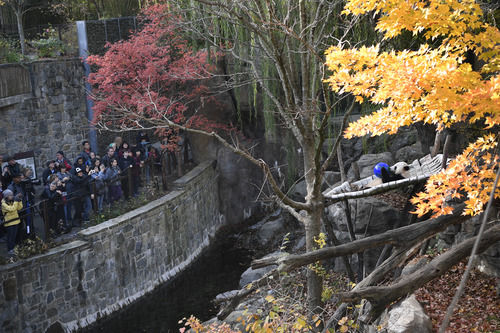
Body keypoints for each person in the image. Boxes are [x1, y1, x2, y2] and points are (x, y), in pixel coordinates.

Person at [1, 189, 23, 255]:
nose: (12, 196)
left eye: (12, 195)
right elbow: (12, 209)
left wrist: (19, 201)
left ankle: (13, 248)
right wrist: (16, 201)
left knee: (14, 236)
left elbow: (19, 208)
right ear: (6, 196)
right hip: (9, 223)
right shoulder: (3, 204)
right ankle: (10, 249)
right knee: (10, 237)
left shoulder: (12, 201)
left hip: (15, 221)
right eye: (10, 195)